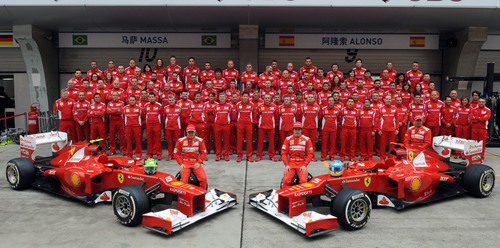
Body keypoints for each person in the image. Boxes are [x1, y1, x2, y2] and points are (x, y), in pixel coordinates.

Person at [174, 125, 208, 189]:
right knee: (184, 181)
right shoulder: (180, 141)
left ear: (195, 132)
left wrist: (199, 162)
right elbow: (176, 154)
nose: (191, 134)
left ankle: (202, 195)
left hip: (195, 162)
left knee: (203, 179)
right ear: (186, 132)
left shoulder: (200, 140)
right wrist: (181, 164)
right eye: (189, 132)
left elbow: (203, 153)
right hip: (185, 163)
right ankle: (185, 197)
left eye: (192, 132)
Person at [281, 122, 314, 187]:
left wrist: (305, 164)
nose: (297, 131)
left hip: (301, 164)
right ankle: (286, 196)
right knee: (286, 181)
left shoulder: (307, 140)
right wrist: (286, 165)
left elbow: (310, 154)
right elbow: (284, 153)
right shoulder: (288, 139)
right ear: (293, 130)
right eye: (295, 129)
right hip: (291, 163)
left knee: (303, 182)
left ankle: (301, 197)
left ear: (301, 130)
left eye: (299, 129)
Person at [256, 94, 278, 162]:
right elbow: (257, 115)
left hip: (271, 126)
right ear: (263, 99)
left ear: (271, 99)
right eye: (266, 98)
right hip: (262, 126)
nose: (267, 99)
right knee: (260, 141)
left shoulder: (274, 106)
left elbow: (276, 116)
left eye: (268, 98)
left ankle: (272, 156)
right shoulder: (260, 106)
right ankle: (259, 155)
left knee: (271, 142)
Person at [235, 92, 255, 162]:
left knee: (249, 140)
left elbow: (254, 114)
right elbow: (236, 114)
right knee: (239, 140)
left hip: (248, 124)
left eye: (247, 96)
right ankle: (239, 156)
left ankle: (249, 156)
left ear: (249, 97)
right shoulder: (238, 104)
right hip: (240, 124)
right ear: (241, 97)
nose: (245, 98)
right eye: (244, 96)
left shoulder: (252, 105)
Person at [378, 94, 398, 160]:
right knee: (382, 144)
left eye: (389, 99)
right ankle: (382, 157)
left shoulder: (395, 109)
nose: (388, 100)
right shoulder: (381, 109)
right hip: (383, 129)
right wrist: (379, 129)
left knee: (391, 145)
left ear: (391, 100)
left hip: (392, 130)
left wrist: (397, 129)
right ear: (384, 100)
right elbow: (378, 120)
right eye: (387, 99)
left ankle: (390, 157)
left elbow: (397, 120)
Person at [320, 96, 340, 161]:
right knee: (324, 143)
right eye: (330, 100)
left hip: (333, 129)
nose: (331, 102)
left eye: (332, 100)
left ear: (334, 102)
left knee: (333, 143)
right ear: (327, 101)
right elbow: (320, 118)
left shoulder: (337, 109)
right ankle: (323, 156)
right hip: (325, 129)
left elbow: (339, 118)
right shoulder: (323, 109)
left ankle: (332, 156)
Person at [214, 93, 233, 161]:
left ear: (226, 98)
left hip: (226, 125)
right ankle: (218, 155)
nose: (222, 98)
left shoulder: (229, 106)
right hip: (217, 125)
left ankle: (226, 155)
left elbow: (231, 115)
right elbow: (214, 115)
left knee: (226, 141)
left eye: (223, 97)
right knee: (218, 141)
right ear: (218, 98)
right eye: (220, 97)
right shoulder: (215, 106)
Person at [144, 92, 163, 160]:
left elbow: (162, 114)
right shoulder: (146, 105)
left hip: (156, 124)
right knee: (149, 140)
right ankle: (149, 154)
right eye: (150, 97)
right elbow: (145, 114)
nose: (151, 98)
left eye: (152, 97)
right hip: (149, 125)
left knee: (157, 140)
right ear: (148, 98)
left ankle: (159, 154)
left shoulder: (159, 105)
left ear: (155, 98)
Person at [163, 95, 182, 160]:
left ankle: (177, 155)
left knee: (177, 142)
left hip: (176, 127)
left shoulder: (179, 107)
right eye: (170, 100)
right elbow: (164, 117)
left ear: (175, 100)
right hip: (168, 127)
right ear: (168, 101)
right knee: (170, 142)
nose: (171, 101)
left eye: (172, 100)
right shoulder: (165, 108)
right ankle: (170, 155)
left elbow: (181, 117)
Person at [107, 91, 126, 155]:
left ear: (118, 96)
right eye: (114, 95)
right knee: (112, 136)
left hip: (120, 121)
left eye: (116, 95)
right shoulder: (109, 103)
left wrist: (112, 111)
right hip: (112, 121)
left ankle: (122, 150)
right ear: (112, 96)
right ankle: (112, 150)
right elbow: (108, 111)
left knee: (122, 136)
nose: (115, 97)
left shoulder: (122, 103)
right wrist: (116, 110)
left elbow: (121, 111)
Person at [123, 95, 142, 159]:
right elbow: (123, 117)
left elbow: (142, 116)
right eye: (130, 100)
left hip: (136, 126)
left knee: (138, 141)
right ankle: (129, 154)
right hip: (128, 126)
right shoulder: (125, 108)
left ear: (136, 101)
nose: (132, 101)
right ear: (128, 101)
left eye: (133, 100)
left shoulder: (139, 108)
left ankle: (138, 154)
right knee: (128, 141)